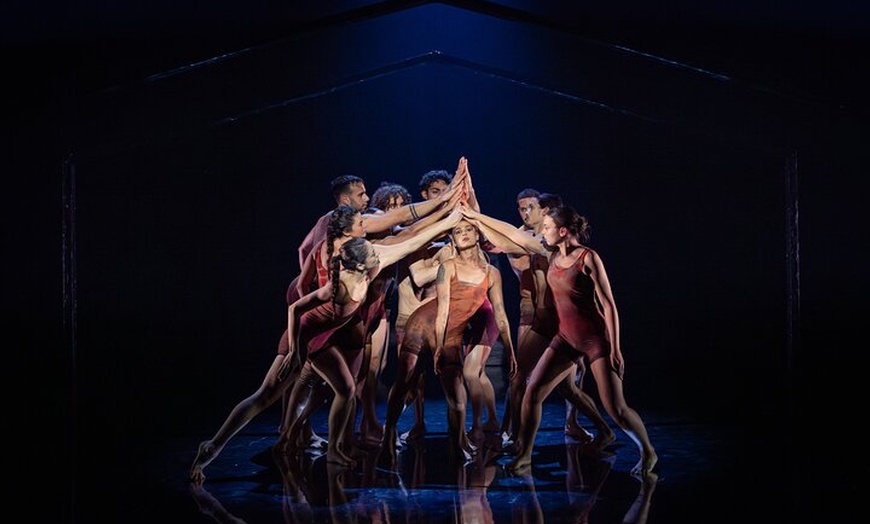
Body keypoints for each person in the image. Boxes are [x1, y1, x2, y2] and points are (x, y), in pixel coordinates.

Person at [189, 205, 464, 481]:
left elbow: (411, 241)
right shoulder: (341, 281)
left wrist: (450, 219)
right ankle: (212, 447)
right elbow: (296, 308)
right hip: (303, 336)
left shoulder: (362, 259)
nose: (369, 233)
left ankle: (333, 450)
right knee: (266, 395)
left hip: (322, 339)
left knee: (344, 389)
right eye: (361, 225)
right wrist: (296, 351)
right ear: (360, 263)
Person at [459, 205, 657, 478]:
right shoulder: (550, 252)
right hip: (565, 338)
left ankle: (647, 450)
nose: (543, 232)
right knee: (532, 393)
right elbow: (510, 237)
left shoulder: (588, 258)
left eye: (548, 228)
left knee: (616, 407)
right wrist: (477, 217)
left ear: (563, 231)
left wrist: (615, 347)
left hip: (594, 340)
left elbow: (608, 305)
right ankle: (525, 456)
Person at [379, 216, 517, 468]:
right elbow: (442, 310)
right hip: (424, 324)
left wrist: (511, 351)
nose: (463, 233)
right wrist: (439, 346)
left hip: (453, 330)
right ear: (452, 239)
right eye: (457, 231)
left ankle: (457, 443)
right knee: (405, 381)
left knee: (456, 396)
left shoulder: (492, 272)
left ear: (478, 236)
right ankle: (388, 437)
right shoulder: (449, 266)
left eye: (468, 230)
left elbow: (500, 313)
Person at [501, 190, 614, 448]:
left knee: (567, 387)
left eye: (532, 208)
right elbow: (505, 241)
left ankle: (600, 428)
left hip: (560, 322)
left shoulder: (550, 241)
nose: (526, 213)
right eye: (522, 208)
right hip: (537, 317)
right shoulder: (530, 237)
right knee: (520, 378)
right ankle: (515, 438)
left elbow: (596, 299)